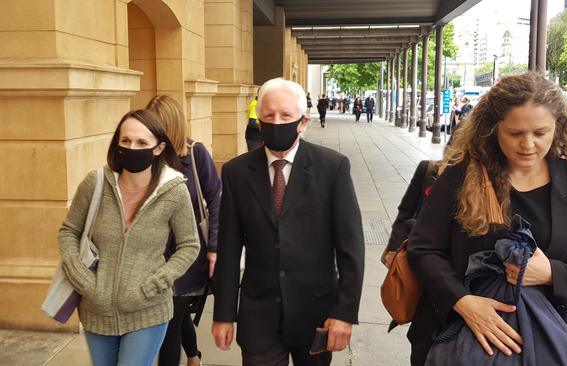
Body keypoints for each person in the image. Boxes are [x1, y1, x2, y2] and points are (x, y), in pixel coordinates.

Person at [407, 72, 567, 365]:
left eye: (540, 133)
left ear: (558, 128)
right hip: (464, 340)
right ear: (493, 128)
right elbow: (423, 249)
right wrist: (462, 301)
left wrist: (551, 274)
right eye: (515, 133)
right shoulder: (461, 176)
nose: (528, 144)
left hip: (556, 341)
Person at [211, 77, 365, 366]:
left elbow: (351, 248)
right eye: (269, 116)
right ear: (259, 119)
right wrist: (223, 314)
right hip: (259, 315)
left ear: (303, 122)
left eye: (285, 116)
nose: (276, 122)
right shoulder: (235, 172)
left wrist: (345, 312)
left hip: (316, 312)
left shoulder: (333, 168)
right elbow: (229, 250)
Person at [58, 109, 200, 366]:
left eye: (142, 142)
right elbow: (69, 231)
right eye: (126, 141)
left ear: (158, 148)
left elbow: (189, 245)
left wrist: (156, 283)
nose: (132, 147)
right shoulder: (96, 183)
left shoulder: (174, 190)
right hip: (95, 310)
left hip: (148, 309)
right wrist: (85, 282)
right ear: (117, 143)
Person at [146, 95, 222, 366]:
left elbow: (216, 199)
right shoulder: (147, 157)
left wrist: (214, 247)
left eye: (157, 127)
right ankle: (194, 357)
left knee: (169, 323)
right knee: (175, 315)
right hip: (154, 256)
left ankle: (190, 358)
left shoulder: (195, 153)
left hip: (188, 256)